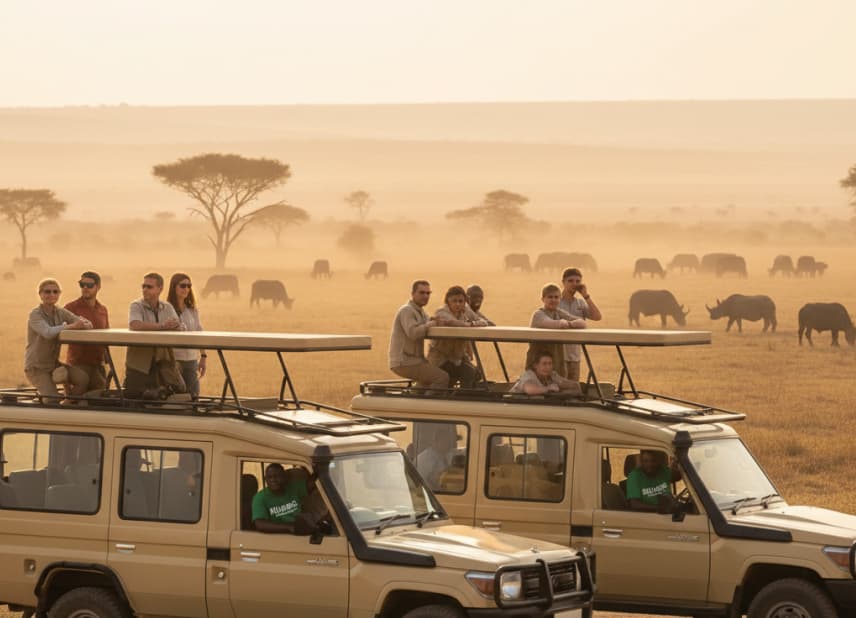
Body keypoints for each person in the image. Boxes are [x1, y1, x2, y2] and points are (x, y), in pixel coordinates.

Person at [24, 278, 92, 399]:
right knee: (52, 400)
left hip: (53, 364)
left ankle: (68, 403)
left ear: (59, 294)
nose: (51, 295)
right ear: (40, 294)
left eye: (55, 292)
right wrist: (71, 326)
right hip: (36, 367)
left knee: (83, 379)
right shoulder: (35, 314)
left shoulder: (60, 312)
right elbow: (48, 332)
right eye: (47, 292)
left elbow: (87, 324)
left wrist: (81, 324)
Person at [125, 272, 185, 398]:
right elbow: (135, 325)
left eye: (149, 287)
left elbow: (179, 327)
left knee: (174, 393)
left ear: (160, 289)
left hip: (163, 362)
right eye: (144, 286)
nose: (145, 290)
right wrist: (162, 327)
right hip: (140, 364)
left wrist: (176, 327)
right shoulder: (136, 306)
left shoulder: (167, 307)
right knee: (134, 399)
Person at [389, 280, 450, 390]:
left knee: (426, 381)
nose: (425, 296)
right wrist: (432, 323)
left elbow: (427, 324)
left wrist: (436, 322)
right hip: (404, 362)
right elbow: (413, 333)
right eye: (421, 293)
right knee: (442, 377)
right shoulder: (407, 311)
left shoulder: (420, 312)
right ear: (412, 294)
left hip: (414, 361)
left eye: (428, 293)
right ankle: (431, 406)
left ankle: (413, 402)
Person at [427, 286, 487, 388]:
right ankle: (463, 398)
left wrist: (471, 323)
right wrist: (469, 324)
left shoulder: (465, 310)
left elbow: (484, 322)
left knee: (477, 374)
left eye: (460, 301)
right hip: (441, 359)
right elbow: (453, 322)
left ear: (465, 302)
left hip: (456, 358)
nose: (458, 304)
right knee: (469, 372)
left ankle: (457, 395)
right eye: (454, 301)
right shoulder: (441, 312)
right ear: (447, 302)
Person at [64, 271, 110, 392]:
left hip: (97, 366)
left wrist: (106, 362)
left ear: (98, 287)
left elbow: (106, 337)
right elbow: (59, 331)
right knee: (75, 403)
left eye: (89, 285)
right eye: (82, 284)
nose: (85, 288)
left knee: (100, 401)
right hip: (78, 365)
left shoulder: (103, 310)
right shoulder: (70, 308)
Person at [529, 283, 586, 377]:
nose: (553, 300)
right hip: (539, 362)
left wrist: (569, 324)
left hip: (556, 359)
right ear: (543, 299)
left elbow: (582, 323)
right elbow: (557, 324)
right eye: (550, 297)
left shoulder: (558, 312)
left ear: (560, 299)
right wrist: (570, 324)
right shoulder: (538, 314)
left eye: (556, 297)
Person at [167, 273, 206, 399]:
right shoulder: (166, 309)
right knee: (176, 396)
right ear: (174, 287)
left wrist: (203, 356)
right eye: (183, 286)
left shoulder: (192, 310)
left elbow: (199, 332)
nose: (186, 289)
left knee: (193, 395)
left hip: (191, 359)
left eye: (189, 286)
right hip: (174, 360)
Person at [559, 268, 602, 382]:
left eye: (578, 281)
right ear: (563, 282)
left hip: (575, 355)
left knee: (572, 389)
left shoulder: (580, 303)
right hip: (558, 354)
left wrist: (586, 296)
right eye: (571, 281)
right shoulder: (555, 301)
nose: (575, 284)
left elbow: (597, 317)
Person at [252, 463, 309, 533]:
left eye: (277, 476)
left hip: (300, 531)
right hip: (277, 536)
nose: (273, 480)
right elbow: (260, 524)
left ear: (284, 476)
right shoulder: (260, 497)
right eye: (270, 477)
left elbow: (313, 484)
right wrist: (289, 527)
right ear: (265, 479)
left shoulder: (293, 488)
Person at [510, 349, 581, 396]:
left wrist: (565, 390)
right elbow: (529, 389)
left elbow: (572, 385)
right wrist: (548, 388)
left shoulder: (552, 375)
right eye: (544, 364)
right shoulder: (529, 375)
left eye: (550, 363)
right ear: (535, 365)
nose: (548, 367)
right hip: (513, 407)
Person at [415, 425, 459, 491]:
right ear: (436, 441)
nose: (450, 444)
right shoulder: (423, 459)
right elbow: (420, 482)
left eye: (449, 441)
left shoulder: (448, 454)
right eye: (446, 441)